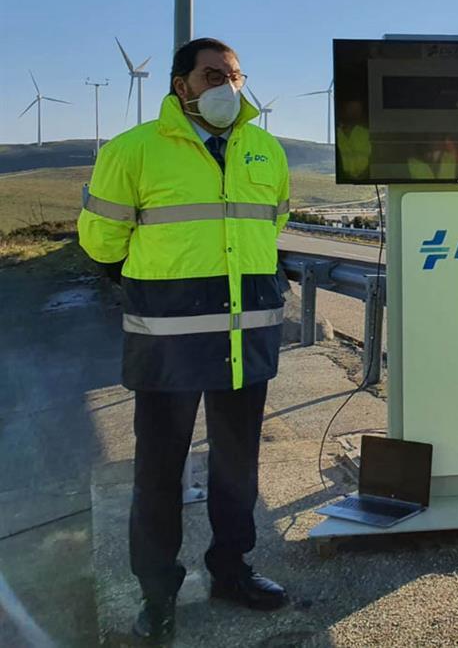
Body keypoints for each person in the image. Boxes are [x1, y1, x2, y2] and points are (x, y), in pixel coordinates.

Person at [77, 37, 291, 644]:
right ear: (181, 85)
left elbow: (271, 225)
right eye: (213, 75)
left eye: (236, 75)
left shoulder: (266, 150)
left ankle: (232, 570)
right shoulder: (134, 151)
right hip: (167, 345)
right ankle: (157, 595)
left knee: (237, 467)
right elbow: (101, 243)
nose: (228, 86)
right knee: (158, 474)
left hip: (245, 343)